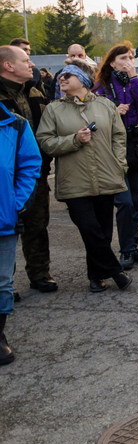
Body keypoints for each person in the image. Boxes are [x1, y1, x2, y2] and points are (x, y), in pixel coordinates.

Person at [36, 59, 133, 293]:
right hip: (73, 179)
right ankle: (115, 270)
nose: (62, 79)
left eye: (68, 75)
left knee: (103, 230)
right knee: (89, 228)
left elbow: (119, 136)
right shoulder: (54, 109)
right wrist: (74, 140)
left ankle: (96, 276)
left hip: (106, 175)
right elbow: (45, 142)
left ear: (84, 81)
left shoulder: (105, 105)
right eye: (60, 76)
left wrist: (119, 163)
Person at [0, 45, 56, 294]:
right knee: (5, 229)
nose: (31, 64)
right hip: (5, 176)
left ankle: (40, 273)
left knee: (37, 223)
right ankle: (5, 283)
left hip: (35, 171)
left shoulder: (35, 89)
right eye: (25, 60)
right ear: (8, 66)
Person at [93, 44, 138, 270]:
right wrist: (113, 110)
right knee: (125, 202)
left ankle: (133, 247)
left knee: (136, 201)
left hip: (135, 146)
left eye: (131, 57)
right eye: (123, 58)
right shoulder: (102, 86)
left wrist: (134, 78)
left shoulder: (133, 81)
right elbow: (93, 115)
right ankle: (125, 250)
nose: (128, 61)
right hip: (112, 147)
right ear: (112, 62)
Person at [0, 99, 42, 366]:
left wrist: (15, 203)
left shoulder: (15, 124)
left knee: (2, 281)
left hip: (3, 218)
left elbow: (29, 166)